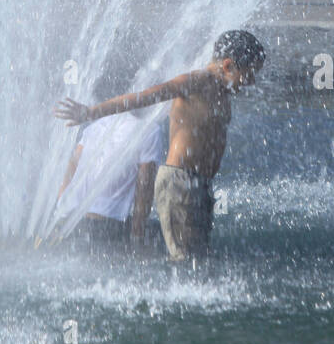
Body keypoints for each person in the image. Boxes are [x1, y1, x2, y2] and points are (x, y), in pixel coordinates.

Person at [55, 30, 265, 263]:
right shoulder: (197, 82)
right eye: (250, 74)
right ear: (228, 66)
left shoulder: (223, 92)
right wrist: (91, 112)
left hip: (199, 184)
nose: (251, 82)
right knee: (186, 258)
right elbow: (142, 97)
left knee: (199, 256)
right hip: (180, 183)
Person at [56, 111, 168, 253]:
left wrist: (61, 206)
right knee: (161, 233)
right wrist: (137, 240)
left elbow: (72, 163)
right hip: (106, 225)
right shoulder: (150, 131)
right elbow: (144, 186)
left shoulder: (98, 124)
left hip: (69, 221)